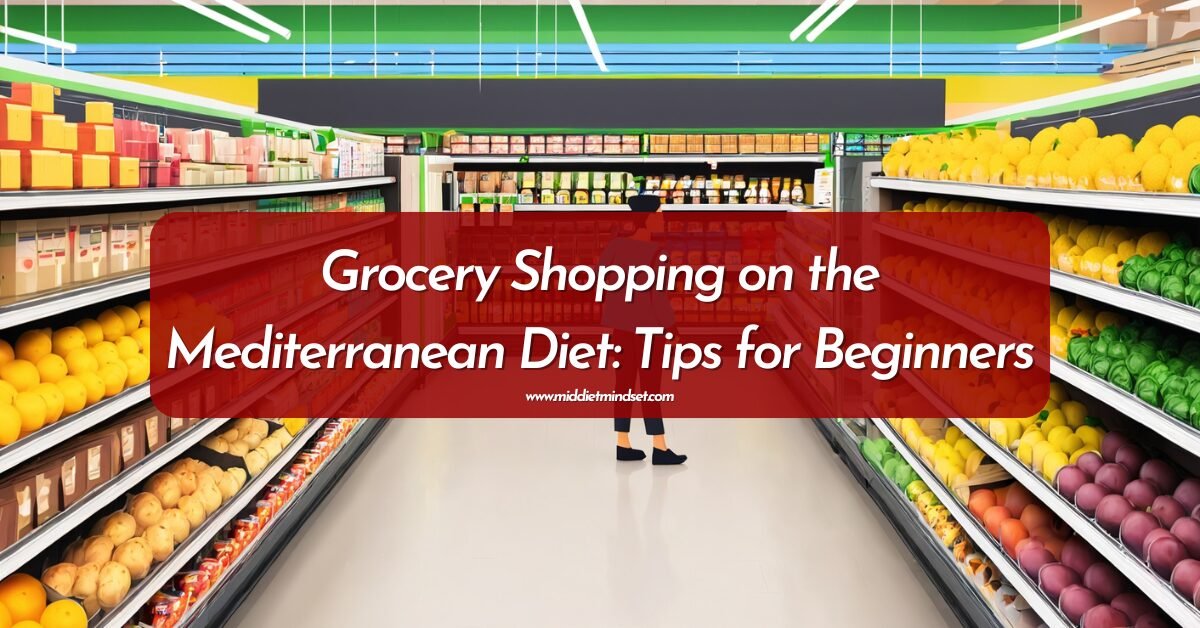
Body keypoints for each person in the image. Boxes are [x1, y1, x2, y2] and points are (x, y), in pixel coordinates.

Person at [599, 193, 687, 465]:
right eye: (659, 213)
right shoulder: (657, 253)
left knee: (623, 384)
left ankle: (622, 443)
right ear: (649, 218)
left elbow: (603, 281)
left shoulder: (615, 246)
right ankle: (659, 447)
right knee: (650, 386)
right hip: (649, 329)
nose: (662, 218)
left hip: (622, 328)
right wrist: (671, 328)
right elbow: (658, 297)